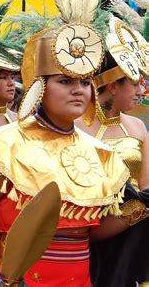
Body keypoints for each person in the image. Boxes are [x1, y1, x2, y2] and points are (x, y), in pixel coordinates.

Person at [0, 0, 137, 286]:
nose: (78, 90)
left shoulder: (101, 155)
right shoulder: (6, 144)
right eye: (65, 81)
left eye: (84, 82)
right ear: (40, 87)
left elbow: (94, 230)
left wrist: (140, 207)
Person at [77, 18, 149, 286]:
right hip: (79, 234)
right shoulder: (72, 128)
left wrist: (132, 213)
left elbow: (146, 188)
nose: (141, 91)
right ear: (112, 85)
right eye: (134, 82)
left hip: (133, 238)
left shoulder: (138, 127)